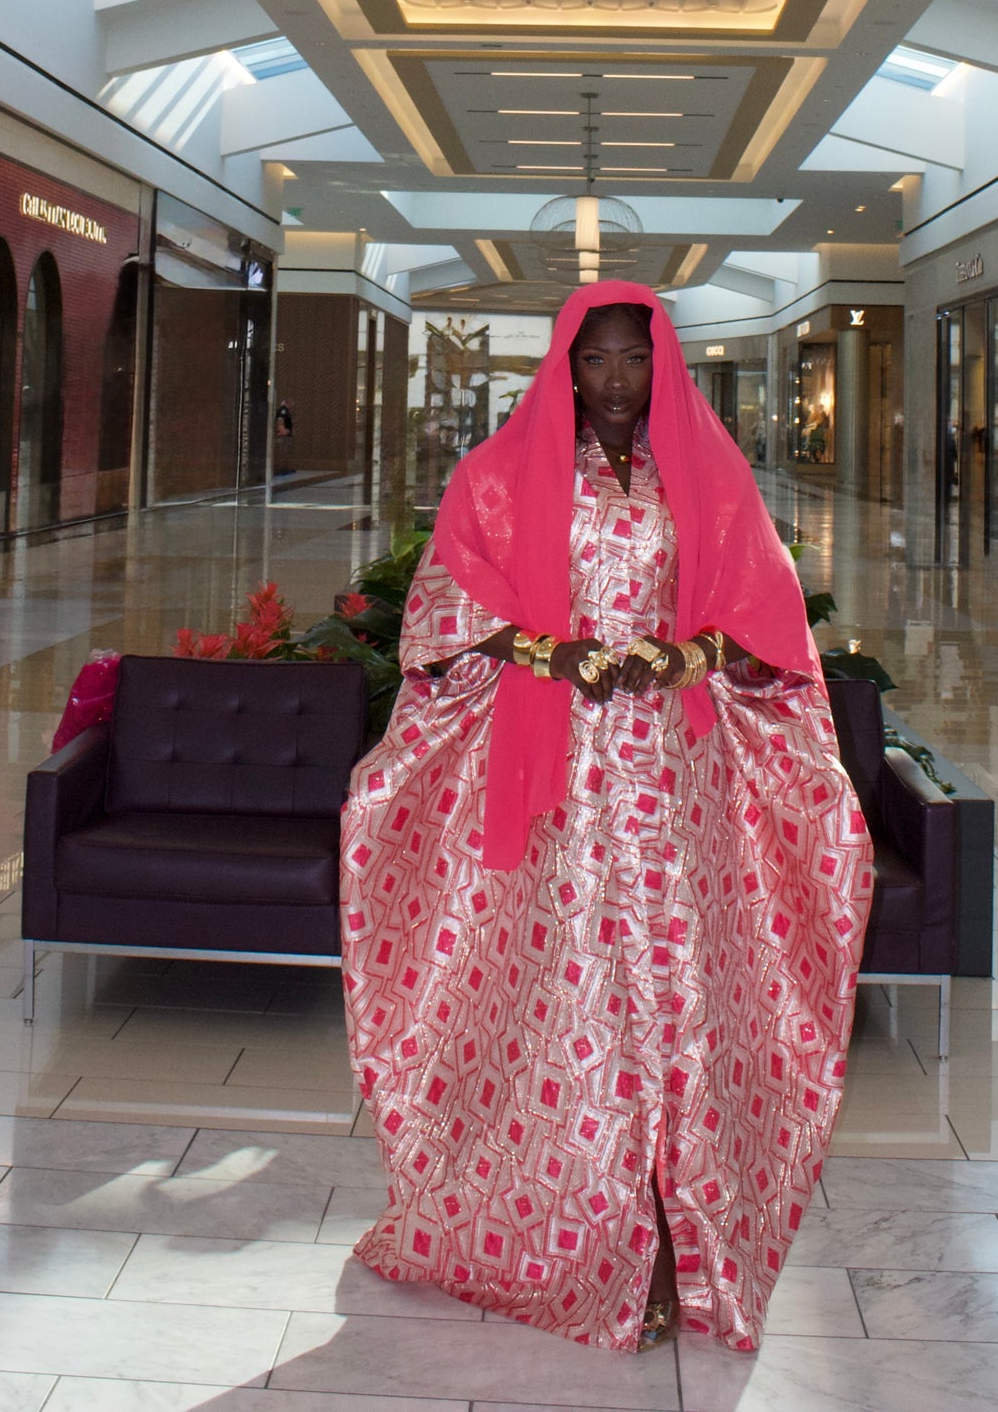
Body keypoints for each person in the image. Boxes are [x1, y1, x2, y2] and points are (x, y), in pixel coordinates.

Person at [340, 281, 874, 1354]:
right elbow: (447, 600)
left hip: (679, 782)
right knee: (582, 998)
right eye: (597, 360)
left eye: (635, 357)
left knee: (679, 1001)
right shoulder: (502, 474)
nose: (618, 380)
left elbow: (763, 607)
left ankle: (678, 1238)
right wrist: (552, 650)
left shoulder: (703, 471)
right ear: (567, 367)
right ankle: (583, 1234)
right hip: (560, 783)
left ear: (661, 361)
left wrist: (687, 653)